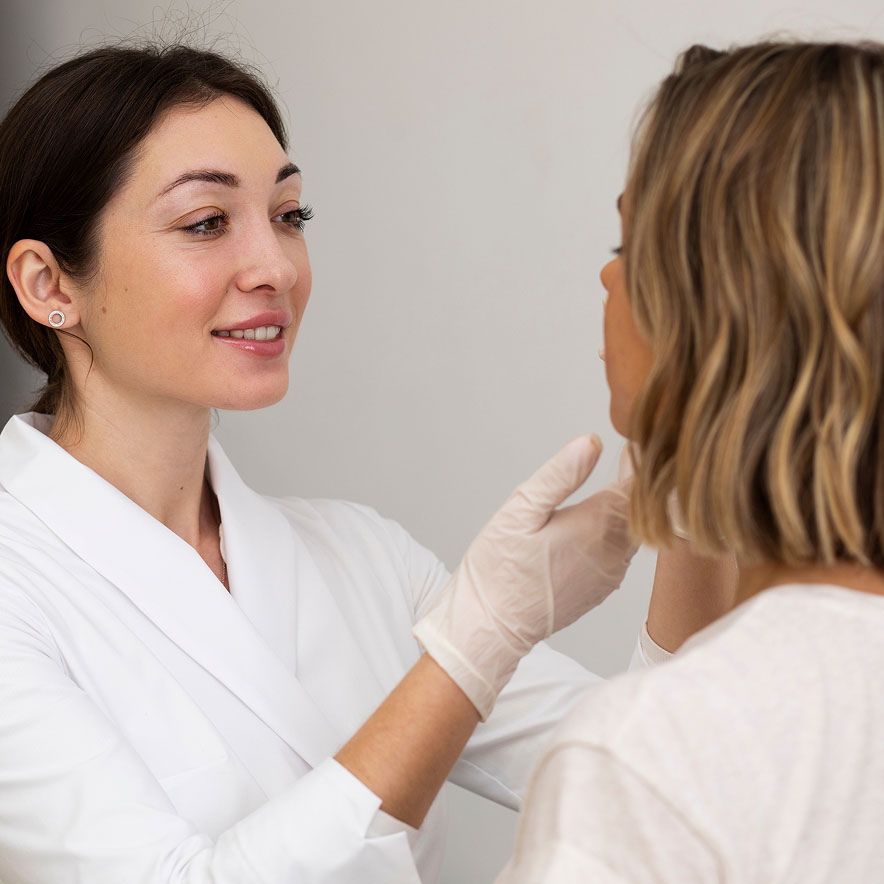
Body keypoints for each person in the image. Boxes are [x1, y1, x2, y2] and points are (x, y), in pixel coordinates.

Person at [0, 41, 738, 883]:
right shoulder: (17, 584)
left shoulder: (361, 560)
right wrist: (474, 647)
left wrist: (695, 491)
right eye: (206, 223)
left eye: (288, 216)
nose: (275, 267)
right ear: (47, 283)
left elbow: (661, 782)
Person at [497, 40, 884, 883]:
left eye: (628, 244)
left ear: (717, 308)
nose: (606, 277)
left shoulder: (645, 760)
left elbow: (717, 738)